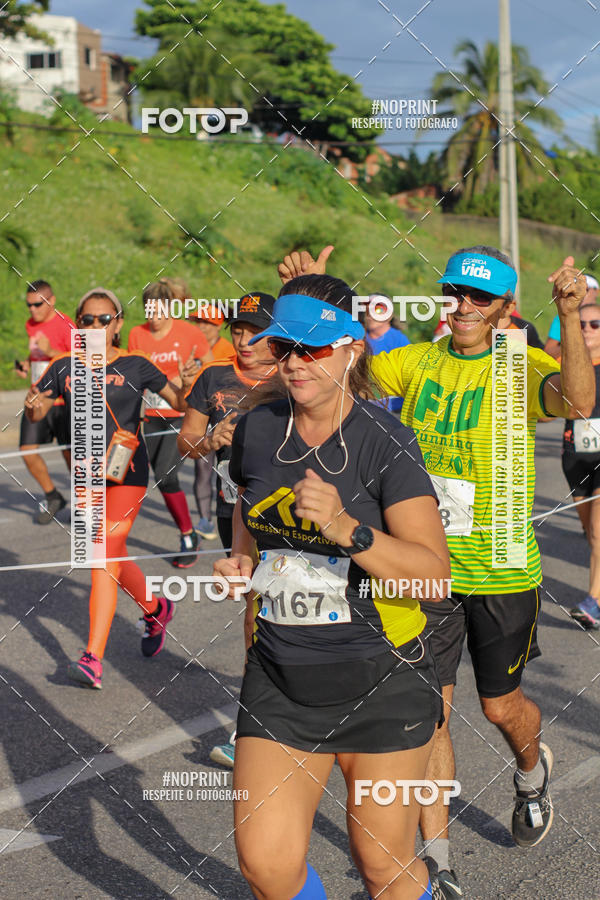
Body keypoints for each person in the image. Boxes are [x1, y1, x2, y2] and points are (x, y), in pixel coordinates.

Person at [277, 246, 594, 896]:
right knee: (430, 716)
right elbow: (339, 377)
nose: (465, 308)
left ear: (506, 307)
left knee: (501, 707)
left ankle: (532, 772)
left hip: (503, 573)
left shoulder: (519, 365)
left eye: (481, 299)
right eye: (456, 294)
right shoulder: (417, 360)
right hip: (426, 572)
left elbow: (579, 400)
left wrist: (569, 314)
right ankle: (438, 863)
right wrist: (310, 314)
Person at [213, 274, 450, 900]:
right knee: (266, 865)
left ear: (352, 348)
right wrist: (242, 562)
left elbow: (434, 573)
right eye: (284, 348)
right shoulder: (259, 430)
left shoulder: (387, 443)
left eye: (313, 348)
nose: (295, 363)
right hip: (282, 678)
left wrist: (348, 528)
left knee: (383, 866)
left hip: (382, 679)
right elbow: (249, 505)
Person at [25, 288, 195, 689]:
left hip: (127, 473)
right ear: (78, 324)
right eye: (88, 320)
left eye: (105, 319)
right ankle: (156, 608)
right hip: (85, 475)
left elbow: (183, 404)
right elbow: (39, 409)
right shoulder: (64, 365)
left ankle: (92, 658)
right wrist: (34, 404)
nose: (97, 326)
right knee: (108, 552)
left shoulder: (137, 365)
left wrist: (186, 385)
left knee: (101, 551)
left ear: (118, 324)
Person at [178, 293, 277, 769]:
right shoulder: (213, 376)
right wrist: (207, 441)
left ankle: (271, 721)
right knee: (255, 610)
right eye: (238, 329)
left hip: (287, 513)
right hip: (231, 509)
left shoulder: (292, 373)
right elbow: (186, 441)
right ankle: (261, 722)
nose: (244, 339)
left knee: (286, 609)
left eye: (255, 330)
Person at [128, 278, 211, 567]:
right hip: (149, 415)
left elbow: (210, 367)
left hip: (182, 414)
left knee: (165, 473)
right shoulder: (136, 335)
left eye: (158, 310)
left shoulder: (189, 332)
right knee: (156, 477)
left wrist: (185, 380)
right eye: (147, 310)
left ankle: (188, 536)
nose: (152, 317)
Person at [16, 280, 75, 524]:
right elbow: (36, 354)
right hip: (37, 398)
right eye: (28, 305)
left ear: (51, 300)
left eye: (37, 304)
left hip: (62, 400)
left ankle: (88, 501)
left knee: (70, 454)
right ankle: (53, 496)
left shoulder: (66, 324)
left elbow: (78, 360)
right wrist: (28, 365)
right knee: (27, 451)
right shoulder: (31, 324)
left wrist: (52, 352)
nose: (32, 310)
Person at [561, 302, 600, 629]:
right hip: (574, 457)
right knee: (591, 534)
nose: (587, 328)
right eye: (582, 324)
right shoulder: (566, 363)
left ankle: (594, 603)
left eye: (595, 324)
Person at [189, 306, 235, 541]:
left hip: (224, 418)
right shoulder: (191, 346)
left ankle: (226, 512)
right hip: (200, 415)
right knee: (201, 470)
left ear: (218, 325)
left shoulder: (228, 349)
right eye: (197, 322)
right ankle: (205, 519)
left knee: (220, 469)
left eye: (206, 322)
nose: (200, 327)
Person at [363, 294, 409, 412]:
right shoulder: (359, 338)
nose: (370, 315)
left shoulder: (399, 341)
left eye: (378, 309)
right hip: (366, 404)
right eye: (366, 309)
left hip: (393, 408)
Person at [544, 264, 599, 358]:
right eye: (576, 288)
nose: (581, 292)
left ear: (597, 292)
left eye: (586, 288)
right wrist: (575, 345)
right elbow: (548, 351)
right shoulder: (561, 317)